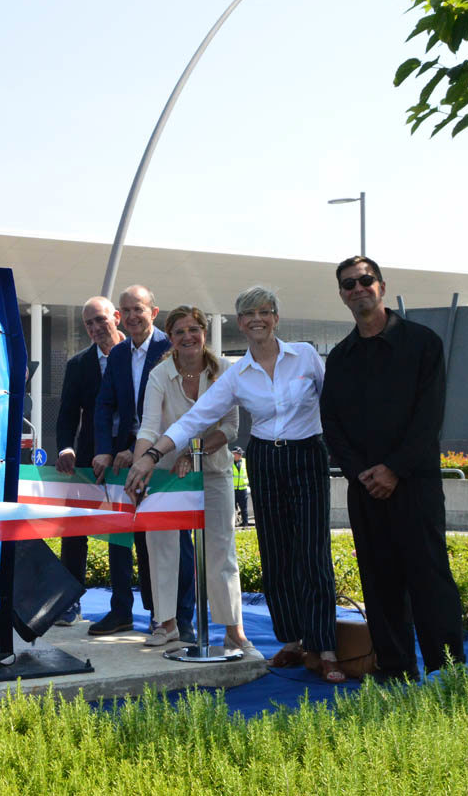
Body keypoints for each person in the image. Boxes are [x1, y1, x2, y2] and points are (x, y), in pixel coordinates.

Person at [125, 285, 344, 682]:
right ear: (240, 324)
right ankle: (292, 642)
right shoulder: (238, 373)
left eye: (264, 311)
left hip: (306, 456)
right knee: (275, 553)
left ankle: (325, 647)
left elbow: (335, 404)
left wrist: (348, 451)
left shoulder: (306, 356)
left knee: (311, 553)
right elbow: (190, 421)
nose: (256, 319)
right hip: (265, 459)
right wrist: (153, 456)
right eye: (248, 314)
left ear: (276, 317)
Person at [320, 255, 465, 682]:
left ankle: (446, 671)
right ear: (343, 296)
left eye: (366, 280)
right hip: (364, 487)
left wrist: (394, 469)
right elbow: (333, 424)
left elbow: (429, 416)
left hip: (414, 483)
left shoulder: (423, 344)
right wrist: (362, 472)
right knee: (379, 582)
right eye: (349, 284)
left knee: (429, 577)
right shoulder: (341, 357)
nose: (358, 288)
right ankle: (396, 670)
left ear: (381, 286)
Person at [132, 305, 259, 656]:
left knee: (221, 550)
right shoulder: (160, 374)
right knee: (162, 548)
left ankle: (234, 632)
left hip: (214, 471)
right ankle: (167, 624)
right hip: (166, 474)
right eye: (179, 332)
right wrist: (142, 461)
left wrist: (195, 454)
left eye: (194, 330)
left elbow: (230, 428)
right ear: (170, 339)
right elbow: (148, 427)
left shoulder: (224, 370)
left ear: (204, 332)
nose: (188, 337)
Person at [89, 285, 195, 638]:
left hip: (168, 456)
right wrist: (104, 448)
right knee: (124, 539)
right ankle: (127, 613)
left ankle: (181, 618)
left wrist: (139, 447)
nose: (133, 316)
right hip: (125, 463)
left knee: (174, 541)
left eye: (139, 309)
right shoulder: (119, 355)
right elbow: (104, 406)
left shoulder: (173, 346)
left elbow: (178, 409)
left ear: (154, 311)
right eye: (127, 311)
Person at [52, 295, 124, 625]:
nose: (95, 327)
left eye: (100, 319)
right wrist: (66, 447)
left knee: (126, 534)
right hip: (87, 460)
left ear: (117, 317)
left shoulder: (139, 356)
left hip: (130, 458)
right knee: (74, 529)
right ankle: (69, 603)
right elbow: (67, 413)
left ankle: (138, 609)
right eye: (88, 323)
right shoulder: (78, 365)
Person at [232, 448, 250, 527]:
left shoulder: (245, 462)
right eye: (237, 453)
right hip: (233, 489)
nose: (239, 455)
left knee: (244, 508)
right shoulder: (229, 462)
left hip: (243, 489)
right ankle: (233, 523)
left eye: (240, 454)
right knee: (232, 508)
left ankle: (245, 523)